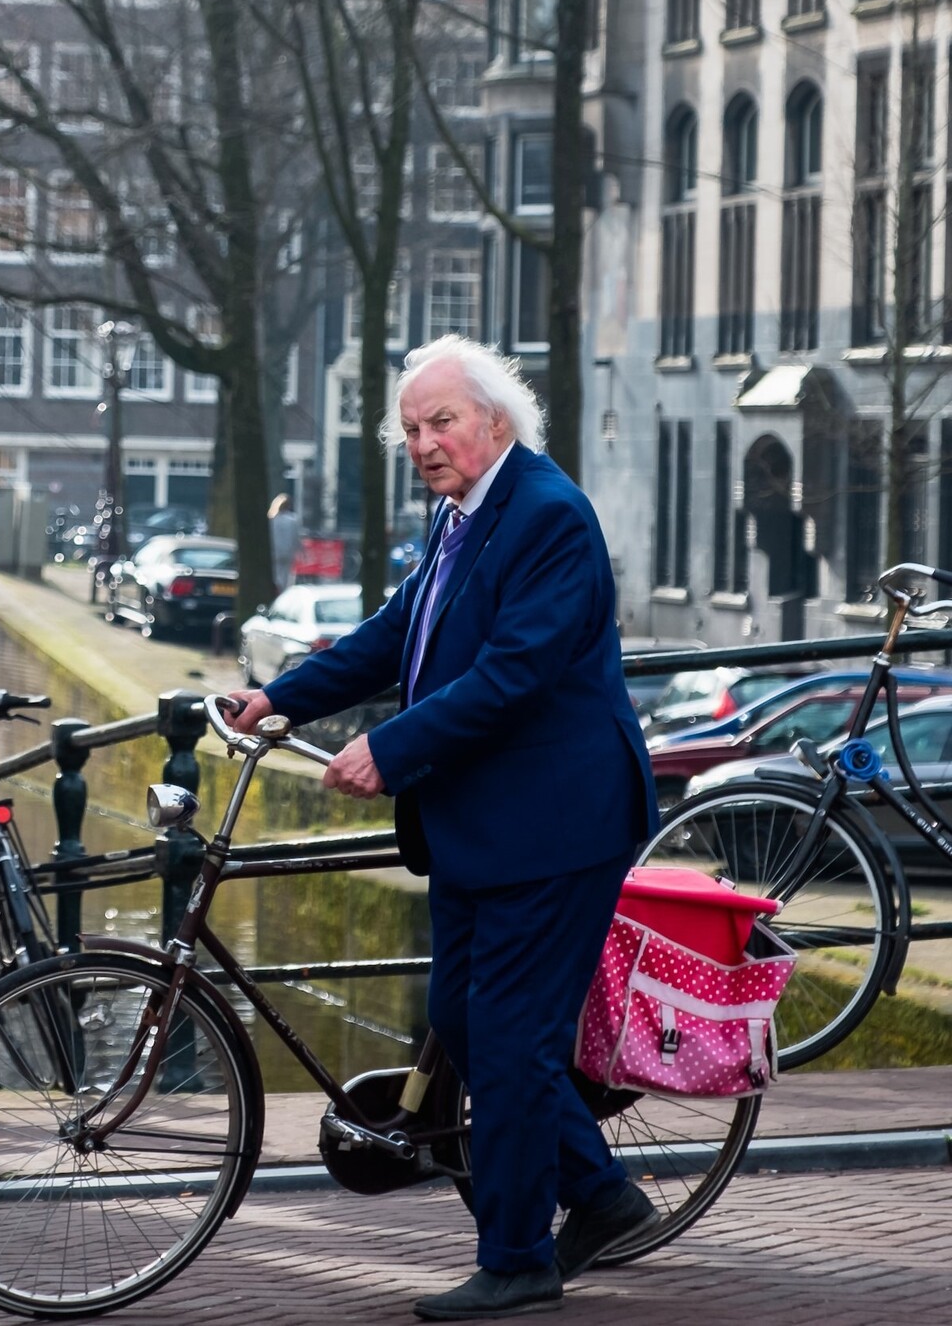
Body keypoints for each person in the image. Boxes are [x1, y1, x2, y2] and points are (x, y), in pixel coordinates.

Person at [224, 334, 660, 1322]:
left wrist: (393, 749)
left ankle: (517, 1259)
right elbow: (397, 633)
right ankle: (600, 1193)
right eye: (412, 428)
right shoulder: (462, 513)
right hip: (482, 825)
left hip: (555, 823)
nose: (423, 442)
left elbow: (514, 673)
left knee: (506, 1041)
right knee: (463, 1023)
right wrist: (280, 696)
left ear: (495, 421)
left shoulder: (549, 516)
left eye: (441, 422)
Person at [268, 492, 302, 595]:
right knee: (286, 575)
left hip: (274, 551)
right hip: (288, 552)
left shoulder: (272, 520)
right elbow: (296, 537)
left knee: (276, 574)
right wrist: (299, 551)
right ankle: (283, 592)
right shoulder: (293, 519)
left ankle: (275, 590)